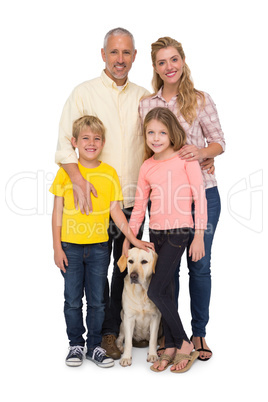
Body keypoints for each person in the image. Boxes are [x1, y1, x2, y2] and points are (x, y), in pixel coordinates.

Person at [55, 28, 150, 358]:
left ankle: (119, 329)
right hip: (94, 204)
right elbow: (64, 146)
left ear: (135, 56)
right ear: (103, 54)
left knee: (125, 266)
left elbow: (160, 140)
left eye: (126, 53)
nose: (120, 59)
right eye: (114, 52)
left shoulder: (144, 96)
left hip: (134, 200)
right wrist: (79, 182)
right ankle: (101, 336)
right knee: (96, 271)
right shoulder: (83, 93)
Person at [139, 37, 226, 361]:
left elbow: (219, 141)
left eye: (174, 59)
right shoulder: (147, 104)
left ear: (183, 61)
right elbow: (151, 150)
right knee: (167, 271)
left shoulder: (200, 100)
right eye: (162, 62)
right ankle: (172, 335)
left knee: (199, 265)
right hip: (165, 200)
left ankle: (198, 333)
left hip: (202, 192)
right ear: (156, 68)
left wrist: (201, 153)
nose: (169, 67)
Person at [50, 115, 154, 368]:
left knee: (98, 299)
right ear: (74, 142)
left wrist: (133, 239)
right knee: (73, 299)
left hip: (98, 247)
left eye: (97, 138)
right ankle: (76, 344)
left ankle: (95, 345)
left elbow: (116, 212)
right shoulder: (66, 172)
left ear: (104, 142)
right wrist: (56, 247)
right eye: (85, 138)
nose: (91, 142)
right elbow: (57, 212)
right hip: (70, 247)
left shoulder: (109, 173)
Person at [123, 107, 207, 372]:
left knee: (156, 289)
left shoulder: (186, 159)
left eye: (162, 132)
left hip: (180, 231)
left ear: (172, 133)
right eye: (150, 133)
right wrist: (130, 238)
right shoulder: (147, 166)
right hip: (156, 233)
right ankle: (169, 345)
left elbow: (200, 197)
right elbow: (139, 208)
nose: (156, 138)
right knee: (167, 288)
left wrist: (200, 236)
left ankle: (183, 342)